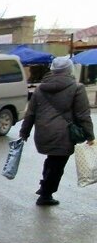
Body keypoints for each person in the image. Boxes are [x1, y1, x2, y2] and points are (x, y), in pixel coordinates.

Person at [19, 55, 95, 206]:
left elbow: (30, 114)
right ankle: (46, 194)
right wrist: (90, 136)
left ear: (52, 70)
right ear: (70, 70)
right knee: (57, 164)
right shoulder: (77, 88)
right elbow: (83, 115)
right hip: (64, 134)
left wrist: (24, 133)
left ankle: (44, 187)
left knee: (52, 160)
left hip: (43, 133)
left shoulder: (40, 89)